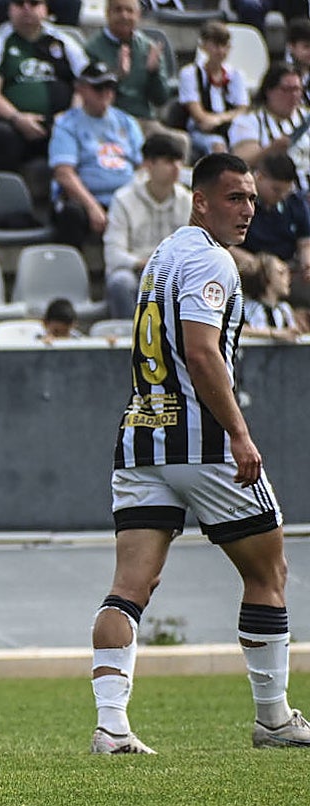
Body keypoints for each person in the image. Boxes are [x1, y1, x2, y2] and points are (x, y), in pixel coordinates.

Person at [92, 152, 310, 755]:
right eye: (235, 198)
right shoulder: (212, 261)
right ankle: (273, 718)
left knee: (130, 586)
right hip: (205, 442)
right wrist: (240, 433)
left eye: (251, 200)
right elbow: (202, 351)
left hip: (142, 437)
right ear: (201, 200)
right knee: (269, 572)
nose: (247, 211)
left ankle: (111, 726)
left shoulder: (162, 256)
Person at [0, 0, 88, 173]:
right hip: (13, 125)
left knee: (82, 131)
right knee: (0, 135)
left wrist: (67, 117)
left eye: (34, 3)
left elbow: (86, 85)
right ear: (10, 8)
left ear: (45, 8)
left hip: (58, 125)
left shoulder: (63, 42)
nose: (26, 9)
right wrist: (17, 118)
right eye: (19, 4)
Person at [49, 61, 144, 249]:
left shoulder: (126, 121)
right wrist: (92, 206)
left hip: (125, 199)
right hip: (88, 199)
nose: (106, 93)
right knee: (71, 214)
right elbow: (64, 173)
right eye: (98, 87)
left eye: (110, 87)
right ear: (82, 89)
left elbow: (143, 167)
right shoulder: (67, 124)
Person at [83, 0, 187, 160]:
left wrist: (154, 72)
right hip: (110, 121)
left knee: (180, 142)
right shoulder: (92, 48)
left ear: (138, 15)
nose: (124, 15)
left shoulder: (148, 46)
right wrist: (117, 76)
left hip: (145, 121)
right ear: (107, 14)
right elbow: (90, 96)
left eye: (129, 11)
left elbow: (161, 99)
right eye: (118, 10)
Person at [103, 134, 192, 319]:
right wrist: (144, 263)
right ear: (149, 165)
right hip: (136, 271)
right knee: (120, 282)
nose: (176, 168)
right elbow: (113, 255)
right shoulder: (123, 199)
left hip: (174, 273)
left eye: (179, 161)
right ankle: (130, 340)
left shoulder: (187, 200)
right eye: (168, 161)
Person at [231, 152, 310, 309]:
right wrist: (260, 264)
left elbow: (305, 242)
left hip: (288, 268)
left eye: (286, 191)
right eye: (276, 190)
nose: (281, 196)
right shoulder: (238, 203)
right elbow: (223, 243)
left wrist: (307, 262)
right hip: (249, 268)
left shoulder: (294, 203)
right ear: (259, 177)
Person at [229, 63, 310, 191]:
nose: (293, 95)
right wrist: (270, 150)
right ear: (269, 91)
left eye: (297, 89)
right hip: (278, 194)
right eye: (287, 90)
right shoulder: (248, 121)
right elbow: (242, 162)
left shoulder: (306, 117)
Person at [178, 21, 249, 160]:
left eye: (225, 46)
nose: (221, 51)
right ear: (203, 46)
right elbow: (200, 116)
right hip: (199, 131)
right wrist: (218, 120)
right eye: (216, 46)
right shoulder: (190, 73)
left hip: (228, 127)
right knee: (217, 144)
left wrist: (218, 119)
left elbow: (242, 109)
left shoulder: (235, 75)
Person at [241, 253, 302, 341]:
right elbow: (239, 329)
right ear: (266, 278)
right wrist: (273, 333)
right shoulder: (251, 308)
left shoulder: (285, 309)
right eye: (281, 273)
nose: (287, 278)